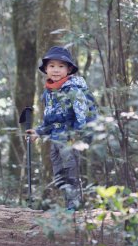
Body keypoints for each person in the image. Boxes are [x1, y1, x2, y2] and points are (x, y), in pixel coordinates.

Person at [26, 46, 91, 210]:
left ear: (69, 69)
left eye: (61, 66)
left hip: (69, 138)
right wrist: (38, 132)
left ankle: (74, 209)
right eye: (52, 66)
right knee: (59, 175)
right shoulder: (49, 92)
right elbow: (50, 119)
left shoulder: (73, 89)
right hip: (55, 139)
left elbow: (81, 114)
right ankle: (69, 205)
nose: (56, 70)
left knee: (71, 173)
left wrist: (77, 134)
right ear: (46, 69)